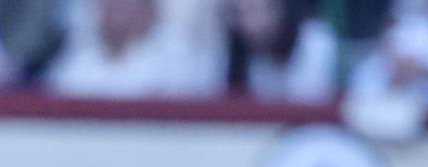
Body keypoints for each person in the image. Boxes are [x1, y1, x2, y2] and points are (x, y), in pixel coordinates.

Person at [43, 0, 222, 95]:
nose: (114, 9)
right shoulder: (78, 61)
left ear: (148, 10)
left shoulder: (177, 58)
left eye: (123, 3)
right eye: (108, 4)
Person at [220, 0, 337, 98]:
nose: (246, 23)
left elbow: (308, 102)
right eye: (238, 13)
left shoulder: (315, 39)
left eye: (252, 9)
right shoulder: (242, 55)